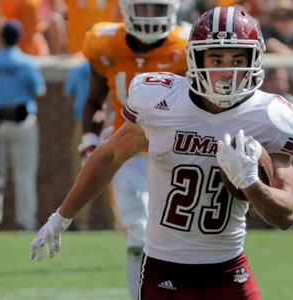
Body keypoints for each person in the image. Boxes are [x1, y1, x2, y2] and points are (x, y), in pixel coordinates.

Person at [30, 6, 293, 300]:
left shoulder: (269, 117)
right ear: (195, 59)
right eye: (216, 59)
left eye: (238, 59)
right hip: (164, 272)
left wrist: (252, 184)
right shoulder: (160, 101)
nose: (227, 71)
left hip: (230, 271)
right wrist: (63, 214)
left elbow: (287, 215)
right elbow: (111, 155)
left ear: (254, 59)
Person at [76, 0, 188, 298]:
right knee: (138, 234)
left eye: (158, 8)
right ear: (126, 9)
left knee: (177, 236)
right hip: (127, 152)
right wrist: (89, 136)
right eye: (144, 8)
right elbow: (94, 99)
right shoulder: (105, 43)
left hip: (174, 153)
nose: (151, 17)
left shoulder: (187, 47)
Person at [0, 20, 46, 230]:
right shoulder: (26, 62)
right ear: (19, 38)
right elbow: (38, 90)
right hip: (22, 122)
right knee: (24, 176)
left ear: (1, 38)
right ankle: (25, 223)